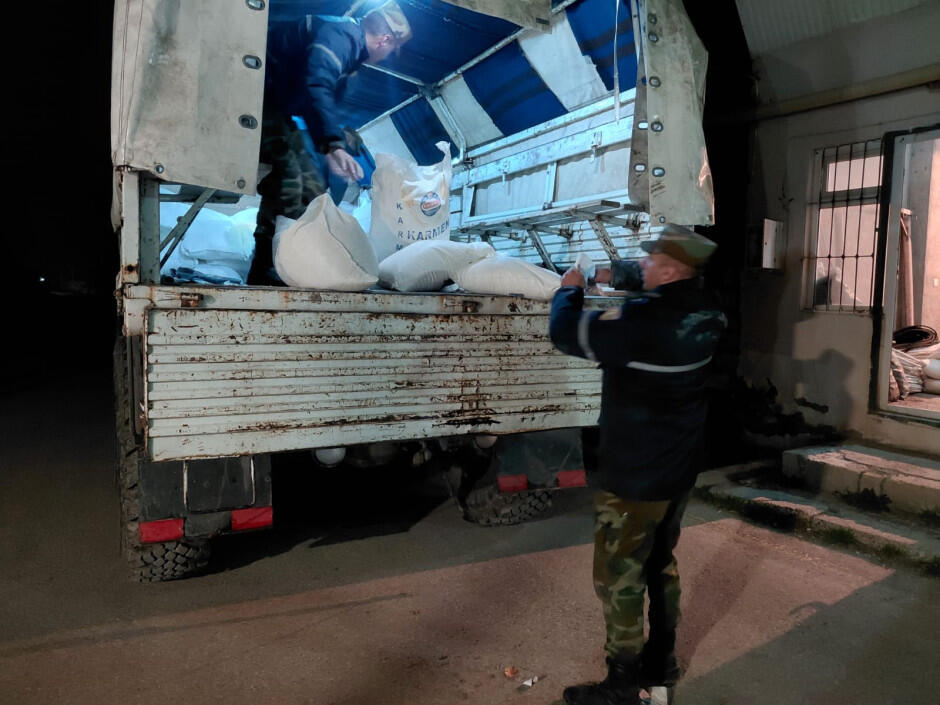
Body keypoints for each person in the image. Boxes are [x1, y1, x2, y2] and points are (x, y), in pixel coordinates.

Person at [549, 224, 727, 705]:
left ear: (669, 268)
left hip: (632, 475)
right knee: (660, 565)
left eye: (649, 261)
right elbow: (660, 286)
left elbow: (565, 333)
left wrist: (568, 291)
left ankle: (623, 685)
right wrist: (616, 273)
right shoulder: (710, 314)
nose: (641, 265)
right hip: (678, 470)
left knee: (619, 575)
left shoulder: (637, 324)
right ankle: (661, 663)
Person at [248, 2, 413, 284]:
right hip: (255, 90)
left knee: (307, 180)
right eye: (391, 50)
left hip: (272, 100)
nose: (387, 56)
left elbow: (319, 101)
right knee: (294, 176)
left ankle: (272, 263)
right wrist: (332, 145)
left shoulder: (349, 53)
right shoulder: (343, 36)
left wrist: (329, 148)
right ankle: (268, 266)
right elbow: (317, 84)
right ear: (385, 40)